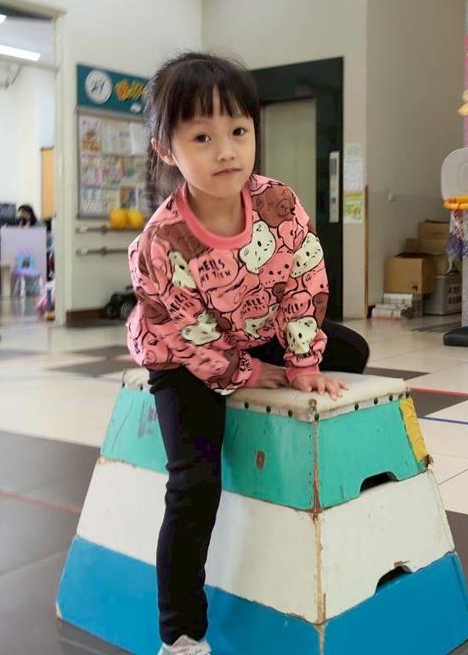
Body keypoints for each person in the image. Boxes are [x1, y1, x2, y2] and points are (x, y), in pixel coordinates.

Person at [126, 52, 369, 655]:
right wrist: (254, 373)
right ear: (165, 150)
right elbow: (190, 335)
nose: (226, 151)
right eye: (201, 138)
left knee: (352, 350)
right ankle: (181, 634)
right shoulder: (161, 242)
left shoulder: (278, 201)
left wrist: (303, 363)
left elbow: (305, 280)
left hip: (250, 322)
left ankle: (284, 361)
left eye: (238, 131)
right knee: (194, 481)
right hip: (182, 354)